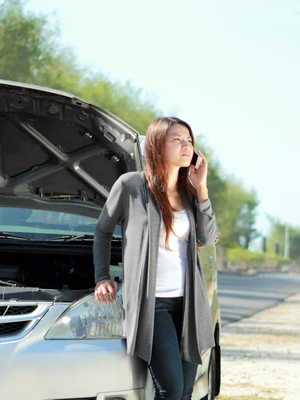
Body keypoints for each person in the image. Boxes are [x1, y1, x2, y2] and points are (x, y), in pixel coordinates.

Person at [93, 117, 219, 400]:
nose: (186, 146)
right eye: (177, 140)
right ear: (157, 145)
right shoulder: (131, 186)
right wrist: (102, 277)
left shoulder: (189, 191)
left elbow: (207, 238)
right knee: (171, 390)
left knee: (185, 391)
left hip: (188, 305)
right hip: (153, 305)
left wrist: (201, 189)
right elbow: (102, 231)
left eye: (189, 140)